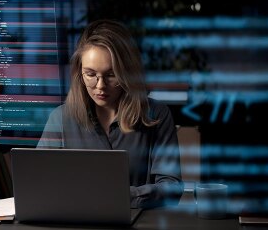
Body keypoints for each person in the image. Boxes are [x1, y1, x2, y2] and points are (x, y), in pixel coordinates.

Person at [37, 20, 183, 208]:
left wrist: (118, 196)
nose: (100, 86)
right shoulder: (60, 119)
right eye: (90, 74)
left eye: (111, 75)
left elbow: (171, 188)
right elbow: (39, 184)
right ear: (79, 73)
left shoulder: (156, 115)